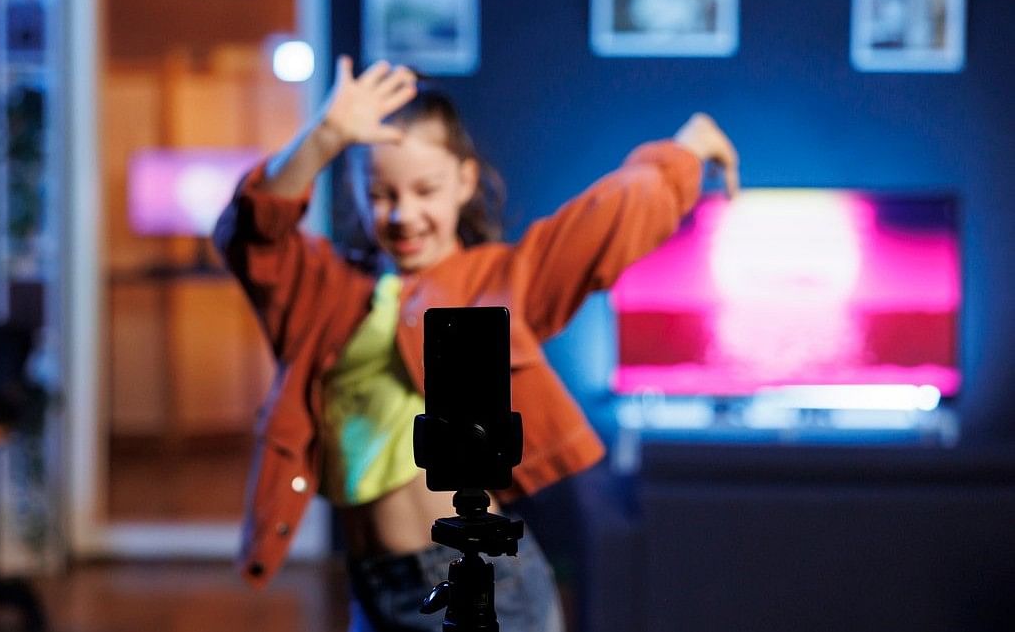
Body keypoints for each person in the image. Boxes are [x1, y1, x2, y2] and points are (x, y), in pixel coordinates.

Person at [214, 56, 739, 632]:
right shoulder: (324, 294)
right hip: (373, 581)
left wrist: (684, 151)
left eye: (425, 189)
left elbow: (603, 225)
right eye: (381, 192)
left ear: (464, 182)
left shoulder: (497, 284)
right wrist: (324, 138)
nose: (404, 213)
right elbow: (251, 234)